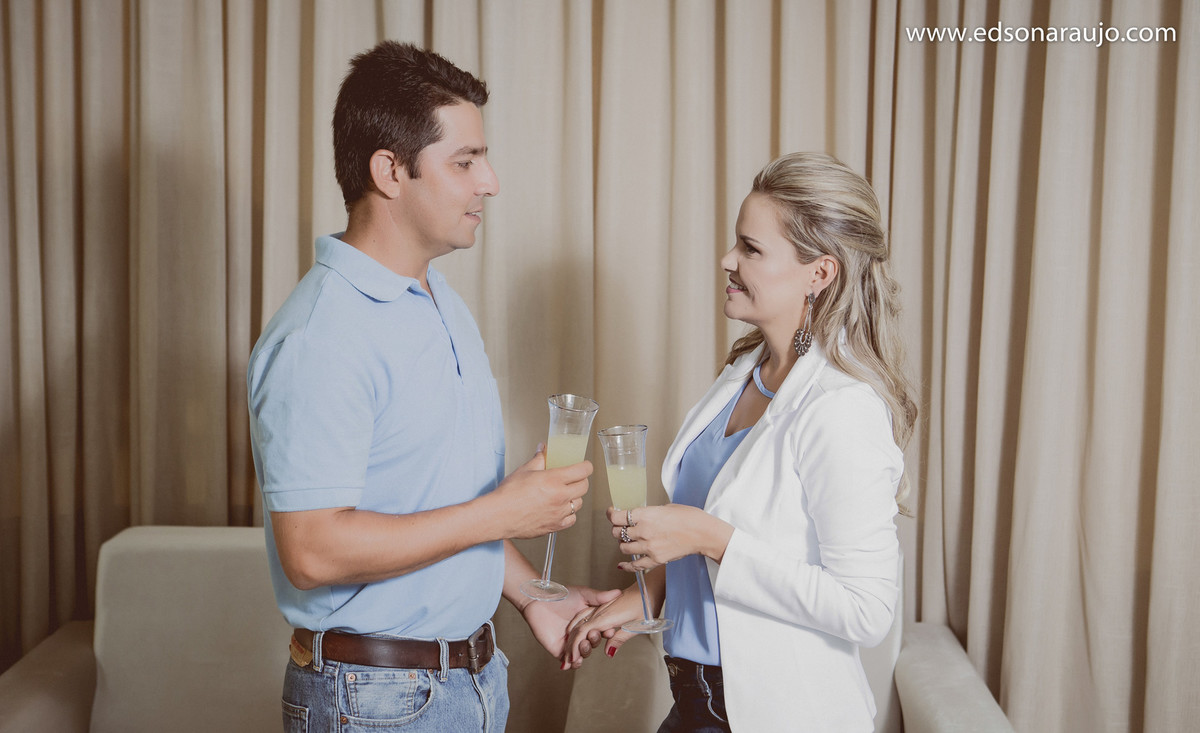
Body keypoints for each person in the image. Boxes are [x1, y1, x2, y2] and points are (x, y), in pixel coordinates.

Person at [247, 40, 617, 732]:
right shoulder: (321, 337)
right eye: (465, 161)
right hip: (373, 702)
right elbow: (312, 550)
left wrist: (537, 594)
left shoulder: (439, 301)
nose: (491, 182)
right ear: (390, 171)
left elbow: (436, 510)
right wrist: (504, 512)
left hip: (469, 683)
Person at [564, 152, 918, 732]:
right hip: (697, 698)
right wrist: (642, 599)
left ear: (820, 273)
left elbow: (866, 610)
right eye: (736, 242)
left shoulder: (841, 408)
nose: (727, 260)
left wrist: (707, 535)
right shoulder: (744, 372)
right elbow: (725, 546)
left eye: (751, 249)